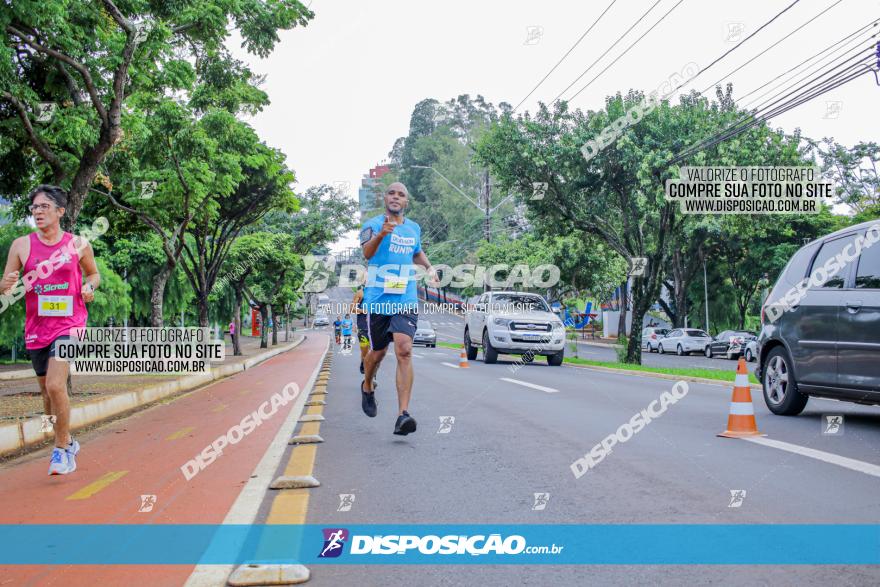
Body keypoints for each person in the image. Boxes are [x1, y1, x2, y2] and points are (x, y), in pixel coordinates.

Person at [1, 185, 100, 475]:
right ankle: (65, 437)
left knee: (56, 385)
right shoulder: (21, 245)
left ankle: (61, 451)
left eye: (44, 206)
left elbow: (94, 274)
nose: (37, 212)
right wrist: (5, 284)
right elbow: (6, 286)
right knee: (45, 391)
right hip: (37, 327)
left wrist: (88, 286)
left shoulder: (79, 244)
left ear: (60, 211)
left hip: (70, 324)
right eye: (34, 207)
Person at [359, 181, 438, 435]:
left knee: (404, 350)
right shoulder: (372, 224)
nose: (395, 197)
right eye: (391, 193)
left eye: (401, 194)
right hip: (377, 299)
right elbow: (367, 254)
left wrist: (429, 267)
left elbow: (416, 251)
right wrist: (382, 234)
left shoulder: (413, 228)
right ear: (385, 198)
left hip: (404, 298)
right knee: (378, 353)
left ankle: (403, 414)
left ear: (406, 202)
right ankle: (368, 385)